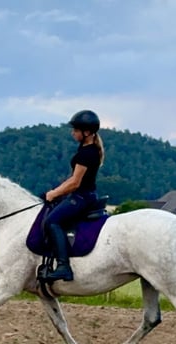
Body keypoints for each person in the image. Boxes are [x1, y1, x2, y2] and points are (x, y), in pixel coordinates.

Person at [43, 109, 105, 281]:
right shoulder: (87, 148)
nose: (73, 133)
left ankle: (64, 266)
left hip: (81, 197)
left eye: (76, 130)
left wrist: (54, 193)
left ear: (87, 132)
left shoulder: (86, 153)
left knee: (52, 221)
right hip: (86, 194)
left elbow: (75, 182)